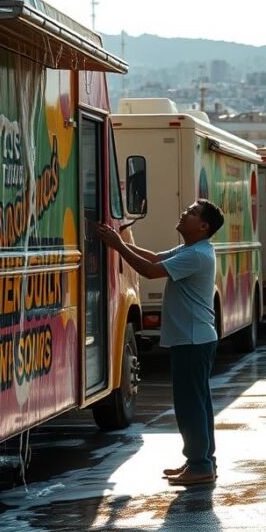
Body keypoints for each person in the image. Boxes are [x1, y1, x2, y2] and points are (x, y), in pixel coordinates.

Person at [95, 199, 224, 487]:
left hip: (193, 340)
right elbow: (154, 258)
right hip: (194, 338)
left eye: (191, 213)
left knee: (190, 405)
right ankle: (202, 461)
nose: (184, 214)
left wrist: (117, 246)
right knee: (198, 403)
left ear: (203, 226)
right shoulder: (193, 249)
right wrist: (122, 240)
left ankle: (200, 464)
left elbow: (150, 272)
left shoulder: (198, 255)